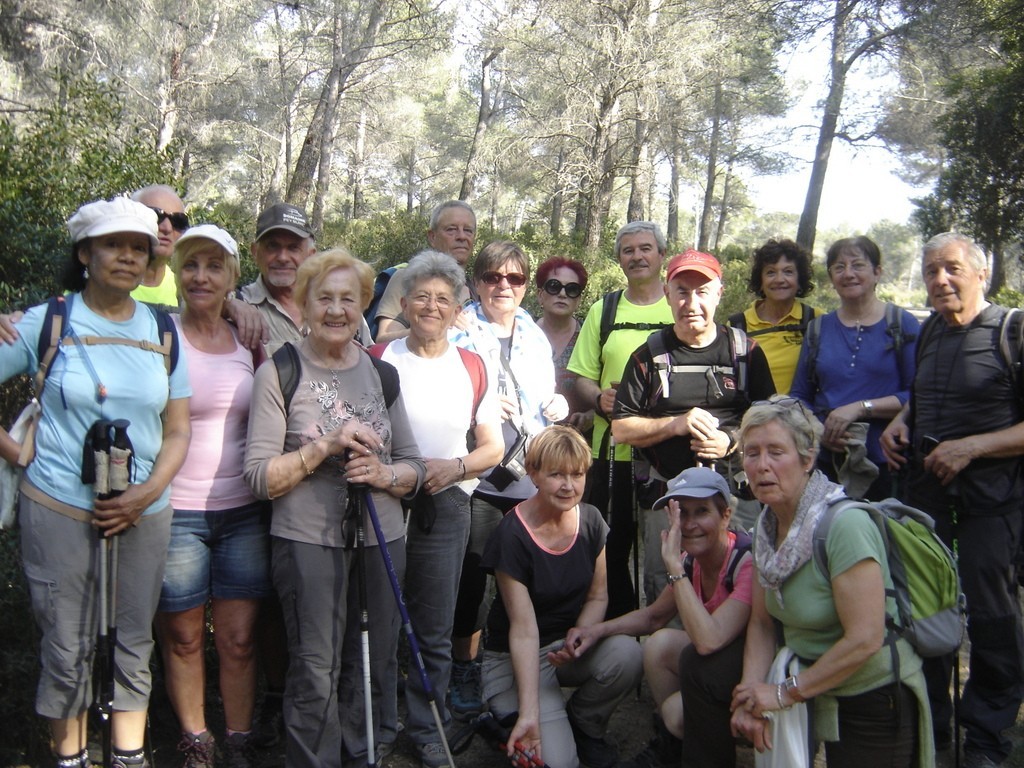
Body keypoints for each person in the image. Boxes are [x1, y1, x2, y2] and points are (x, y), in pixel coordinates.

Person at [0, 197, 191, 768]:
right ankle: (71, 759)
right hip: (59, 508)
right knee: (67, 649)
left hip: (145, 513)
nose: (128, 257)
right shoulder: (48, 320)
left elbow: (177, 430)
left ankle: (128, 758)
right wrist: (14, 449)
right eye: (114, 245)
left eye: (139, 247)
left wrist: (146, 493)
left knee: (135, 646)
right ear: (86, 253)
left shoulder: (162, 329)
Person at [243, 249, 425, 768]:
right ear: (303, 303)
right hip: (307, 543)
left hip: (381, 537)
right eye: (324, 297)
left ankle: (366, 754)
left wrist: (385, 475)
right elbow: (259, 477)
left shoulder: (381, 374)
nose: (337, 310)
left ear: (365, 306)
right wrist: (323, 447)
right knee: (315, 667)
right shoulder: (279, 372)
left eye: (350, 299)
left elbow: (413, 463)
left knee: (373, 663)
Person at [881, 232, 1024, 768]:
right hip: (928, 501)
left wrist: (972, 447)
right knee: (927, 612)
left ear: (981, 273)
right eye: (931, 270)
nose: (940, 279)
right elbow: (925, 394)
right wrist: (902, 421)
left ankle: (986, 737)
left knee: (992, 618)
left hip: (995, 502)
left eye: (952, 268)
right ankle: (933, 728)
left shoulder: (1013, 330)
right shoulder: (933, 330)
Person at [730, 396, 933, 767]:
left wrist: (782, 693)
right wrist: (751, 698)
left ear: (808, 459)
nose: (761, 466)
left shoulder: (844, 526)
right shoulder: (766, 526)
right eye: (752, 453)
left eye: (776, 452)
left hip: (874, 696)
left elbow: (865, 638)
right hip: (809, 687)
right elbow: (760, 623)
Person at [367, 249, 504, 768]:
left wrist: (456, 468)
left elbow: (492, 446)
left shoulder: (473, 365)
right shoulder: (378, 359)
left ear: (456, 308)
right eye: (421, 296)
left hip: (447, 504)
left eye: (443, 298)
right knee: (379, 619)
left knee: (435, 625)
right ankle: (379, 727)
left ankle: (427, 727)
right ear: (403, 303)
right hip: (382, 503)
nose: (431, 306)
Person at [153, 225, 271, 768]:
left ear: (231, 277)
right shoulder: (158, 333)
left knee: (240, 638)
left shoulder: (250, 335)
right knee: (181, 636)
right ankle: (197, 741)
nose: (202, 276)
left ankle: (240, 739)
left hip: (242, 510)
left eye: (214, 266)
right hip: (175, 510)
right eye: (192, 265)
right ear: (177, 272)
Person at [560, 466, 753, 768]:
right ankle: (674, 743)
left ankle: (680, 731)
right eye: (681, 513)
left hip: (752, 675)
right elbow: (653, 618)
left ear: (725, 515)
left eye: (701, 511)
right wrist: (597, 630)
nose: (689, 524)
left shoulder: (744, 561)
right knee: (658, 644)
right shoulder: (693, 561)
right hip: (717, 671)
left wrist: (674, 568)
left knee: (676, 710)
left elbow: (708, 641)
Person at [447, 241, 568, 720]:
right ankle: (465, 666)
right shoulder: (459, 327)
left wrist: (557, 405)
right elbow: (437, 385)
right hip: (478, 477)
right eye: (493, 277)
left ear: (524, 286)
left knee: (524, 579)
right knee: (471, 579)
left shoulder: (535, 335)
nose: (504, 286)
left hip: (527, 476)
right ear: (477, 281)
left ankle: (519, 665)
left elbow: (543, 397)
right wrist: (474, 401)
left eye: (515, 279)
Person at [612, 249, 775, 595]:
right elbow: (621, 428)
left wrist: (730, 440)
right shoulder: (648, 356)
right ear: (668, 295)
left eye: (702, 291)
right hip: (668, 498)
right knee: (667, 587)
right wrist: (675, 424)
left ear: (719, 293)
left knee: (741, 581)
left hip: (734, 493)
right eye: (682, 291)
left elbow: (770, 423)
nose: (691, 302)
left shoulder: (746, 353)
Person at [481, 426, 643, 768]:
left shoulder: (592, 521)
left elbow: (598, 597)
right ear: (534, 473)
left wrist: (580, 634)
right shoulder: (512, 534)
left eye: (578, 474)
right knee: (558, 763)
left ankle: (584, 723)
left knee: (627, 653)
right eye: (556, 474)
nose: (569, 486)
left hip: (561, 649)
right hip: (515, 658)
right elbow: (523, 630)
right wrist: (530, 713)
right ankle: (509, 715)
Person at [566, 221, 674, 619]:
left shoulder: (678, 305)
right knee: (610, 557)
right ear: (619, 259)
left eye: (646, 248)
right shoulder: (604, 308)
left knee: (663, 557)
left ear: (661, 255)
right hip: (609, 453)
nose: (637, 257)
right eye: (628, 250)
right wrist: (599, 398)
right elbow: (581, 374)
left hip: (665, 456)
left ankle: (663, 645)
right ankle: (619, 640)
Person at [790, 236, 918, 501]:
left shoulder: (901, 324)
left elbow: (918, 394)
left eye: (858, 265)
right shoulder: (819, 329)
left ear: (877, 272)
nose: (848, 274)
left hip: (886, 462)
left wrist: (861, 407)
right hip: (827, 463)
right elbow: (800, 395)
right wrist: (818, 432)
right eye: (839, 267)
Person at [374, 200, 477, 343]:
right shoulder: (408, 278)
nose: (461, 236)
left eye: (468, 230)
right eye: (451, 229)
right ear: (432, 237)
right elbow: (383, 339)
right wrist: (435, 328)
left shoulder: (479, 288)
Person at [728, 238, 816, 395]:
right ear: (760, 281)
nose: (779, 279)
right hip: (753, 416)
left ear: (800, 280)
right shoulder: (737, 326)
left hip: (801, 415)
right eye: (771, 272)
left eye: (788, 272)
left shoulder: (815, 320)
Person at [534, 256, 593, 433]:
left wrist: (590, 417)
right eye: (554, 286)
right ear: (540, 294)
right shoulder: (521, 336)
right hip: (525, 445)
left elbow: (605, 395)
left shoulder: (590, 338)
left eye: (572, 289)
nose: (562, 294)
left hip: (577, 447)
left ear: (578, 300)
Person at [130, 184, 189, 309]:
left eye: (177, 221)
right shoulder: (102, 284)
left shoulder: (186, 291)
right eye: (156, 217)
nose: (167, 228)